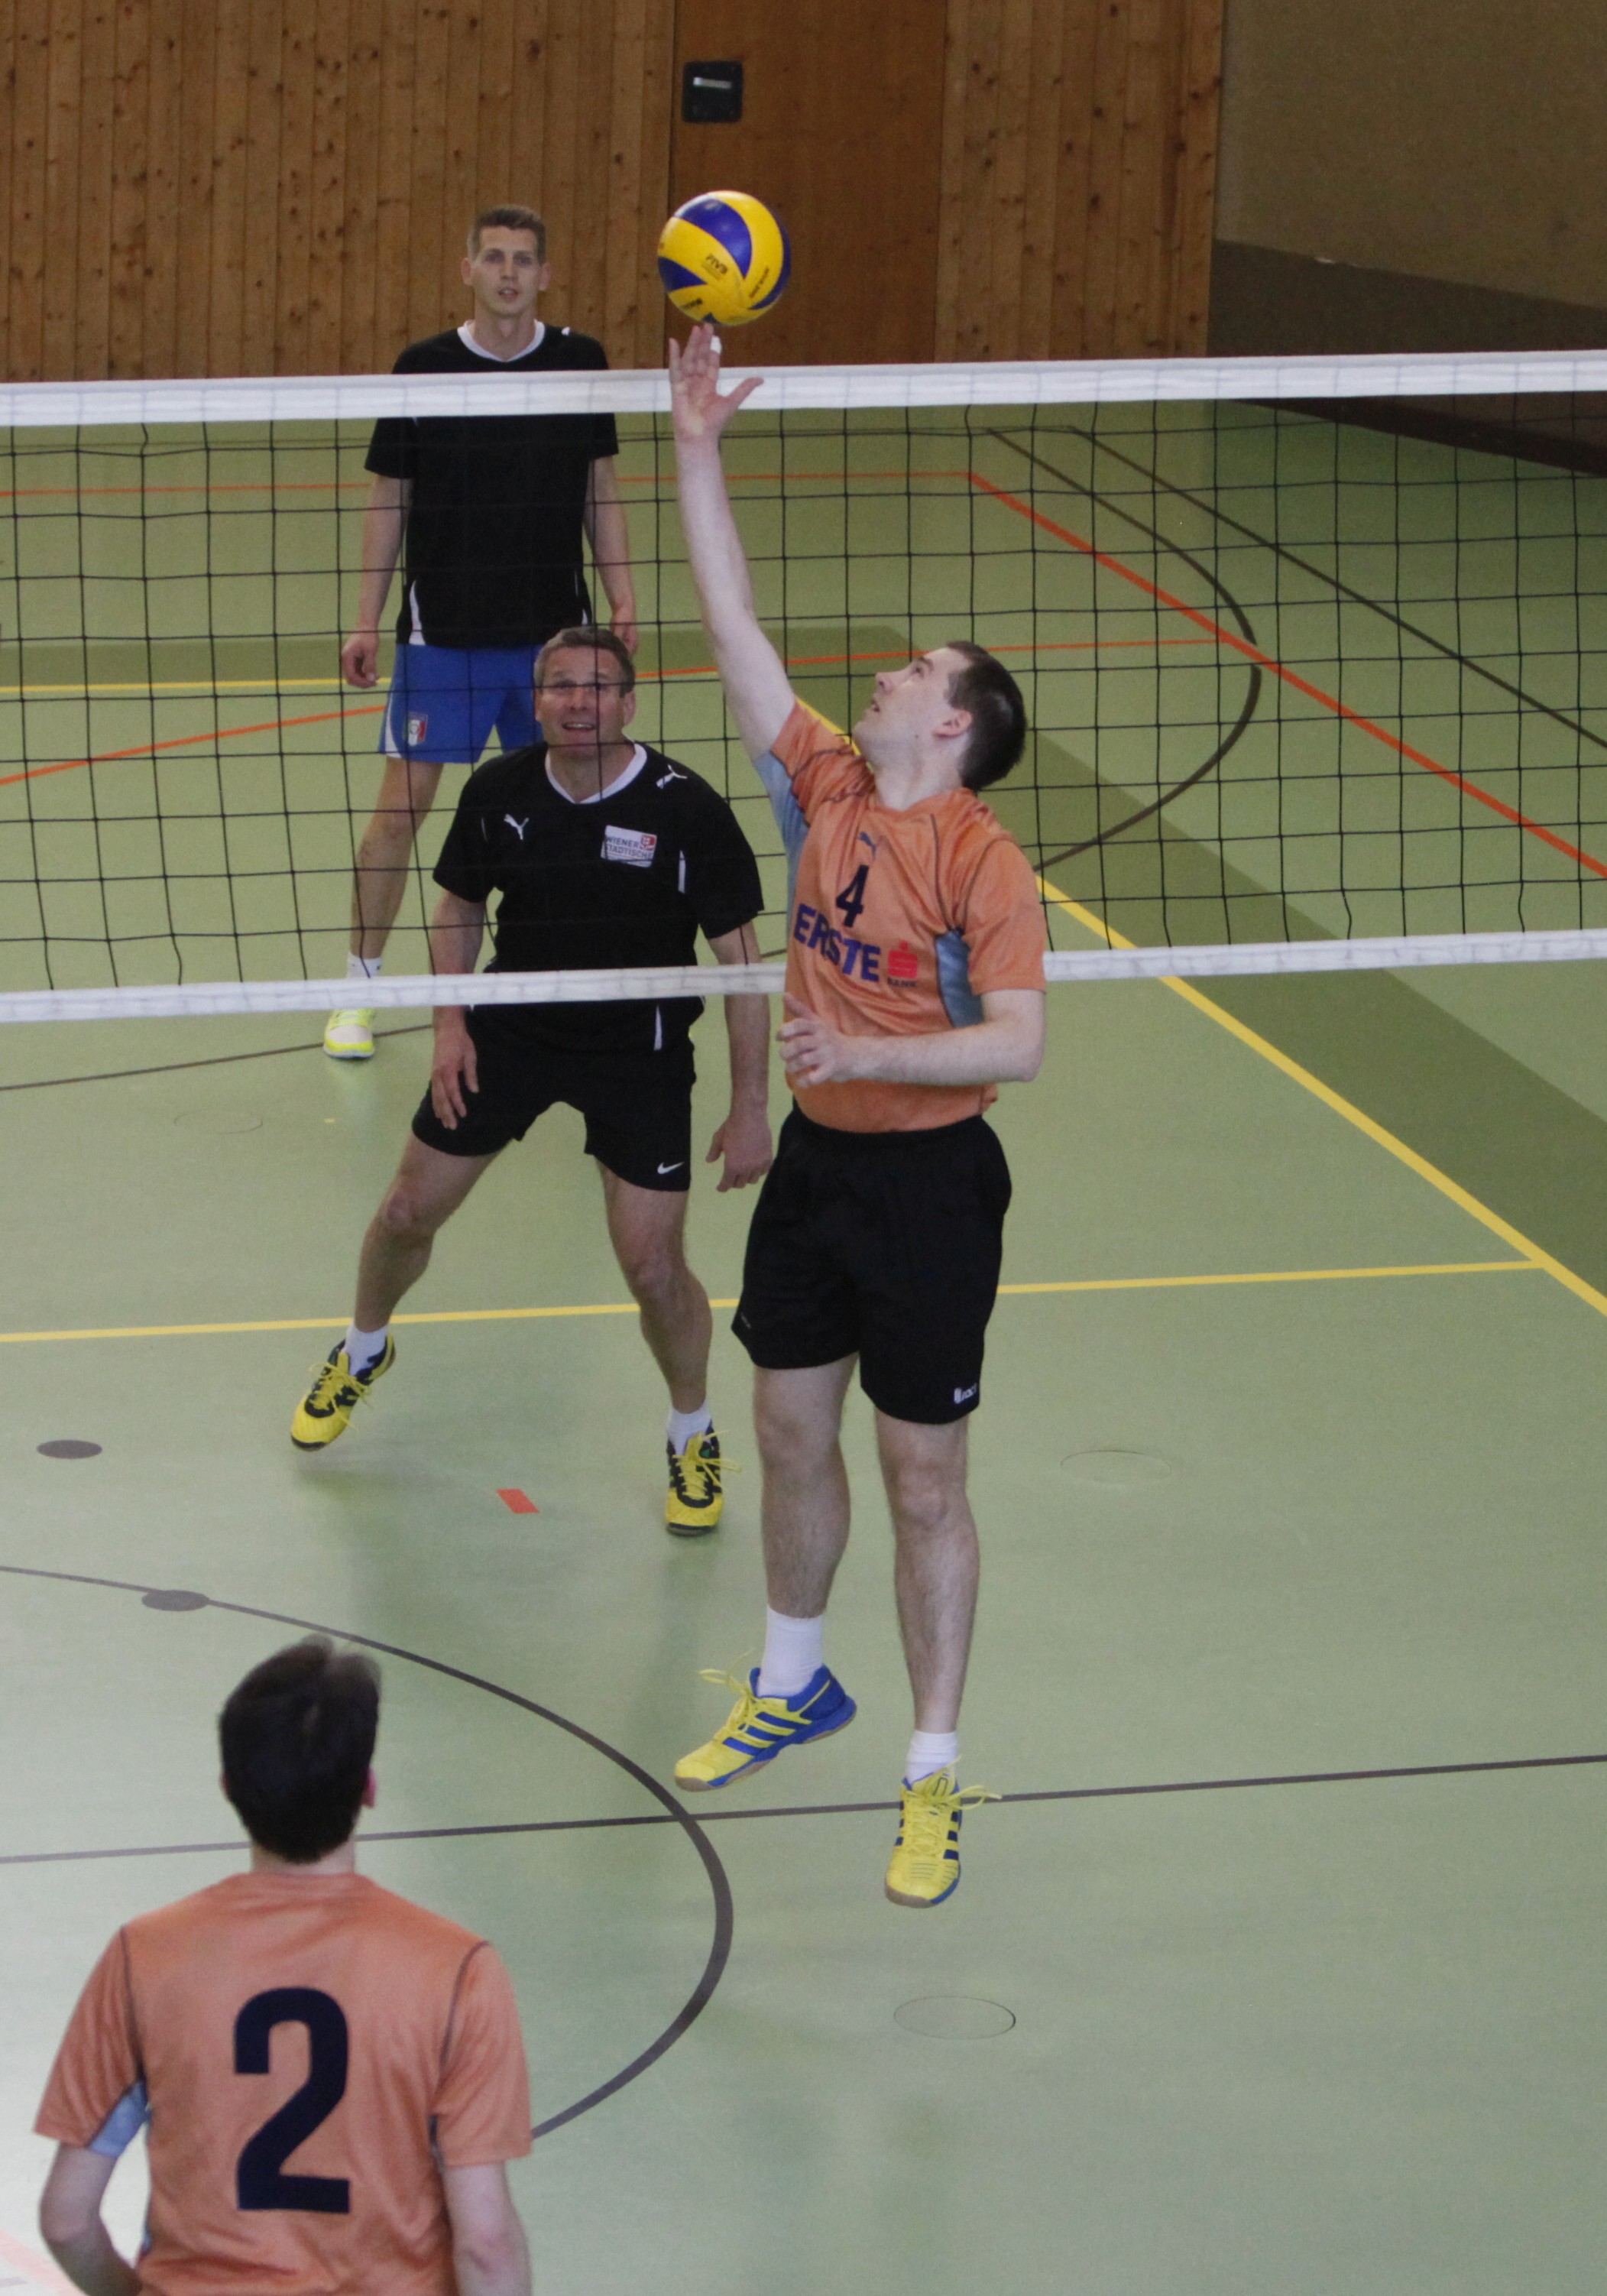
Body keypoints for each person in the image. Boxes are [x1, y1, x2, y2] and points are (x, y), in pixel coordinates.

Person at [667, 324, 1047, 1907]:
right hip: (818, 1171)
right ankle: (791, 1677)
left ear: (951, 724)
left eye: (916, 670)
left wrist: (864, 1045)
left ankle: (931, 1766)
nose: (889, 672)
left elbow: (1019, 1043)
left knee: (920, 1478)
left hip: (930, 1187)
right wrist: (694, 445)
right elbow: (734, 628)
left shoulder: (982, 863)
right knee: (781, 1424)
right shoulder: (826, 784)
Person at [292, 626, 773, 1536]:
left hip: (639, 1046)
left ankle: (693, 1431)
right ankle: (363, 1348)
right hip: (515, 1027)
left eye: (598, 686)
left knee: (653, 1266)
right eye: (560, 686)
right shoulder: (499, 790)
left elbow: (745, 971)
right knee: (405, 1211)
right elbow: (458, 908)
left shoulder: (688, 811)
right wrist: (450, 1025)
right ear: (538, 699)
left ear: (629, 702)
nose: (579, 702)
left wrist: (751, 1107)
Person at [36, 1638, 533, 2296]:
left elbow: (66, 2219)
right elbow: (486, 2245)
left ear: (230, 1789)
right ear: (368, 1788)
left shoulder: (143, 1957)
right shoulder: (457, 1971)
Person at [326, 203, 638, 1063]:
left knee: (574, 811)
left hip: (553, 646)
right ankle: (357, 987)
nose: (508, 273)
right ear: (467, 269)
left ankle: (568, 982)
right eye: (493, 258)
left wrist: (623, 597)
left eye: (523, 260)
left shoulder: (579, 362)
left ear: (545, 275)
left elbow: (600, 487)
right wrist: (364, 619)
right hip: (444, 641)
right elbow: (389, 499)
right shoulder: (422, 367)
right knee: (400, 813)